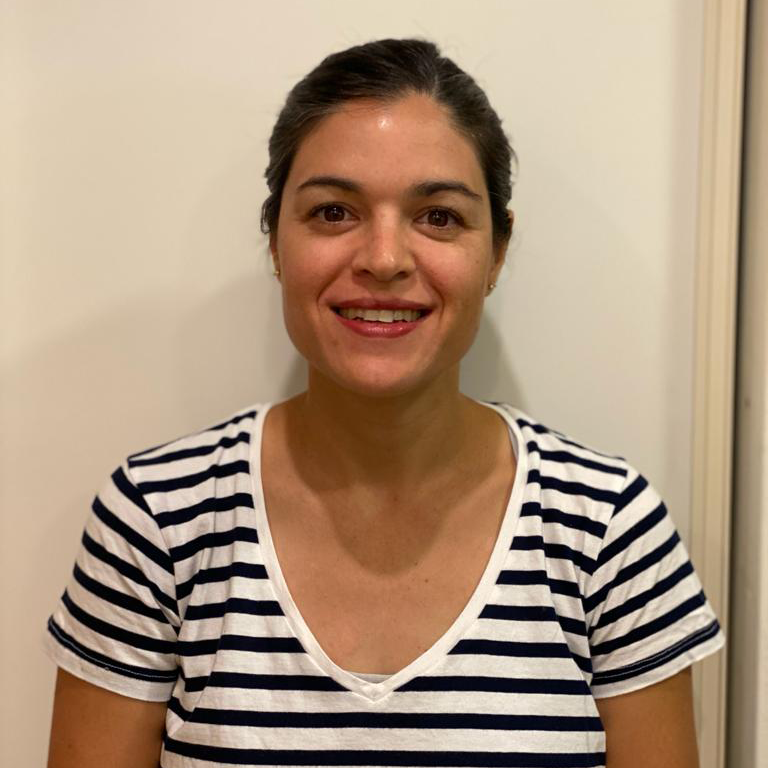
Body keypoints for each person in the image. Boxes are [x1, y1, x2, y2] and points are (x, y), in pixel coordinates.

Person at [45, 38, 723, 768]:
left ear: (496, 253)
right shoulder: (158, 518)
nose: (384, 258)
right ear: (275, 242)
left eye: (439, 217)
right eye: (334, 211)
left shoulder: (608, 528)